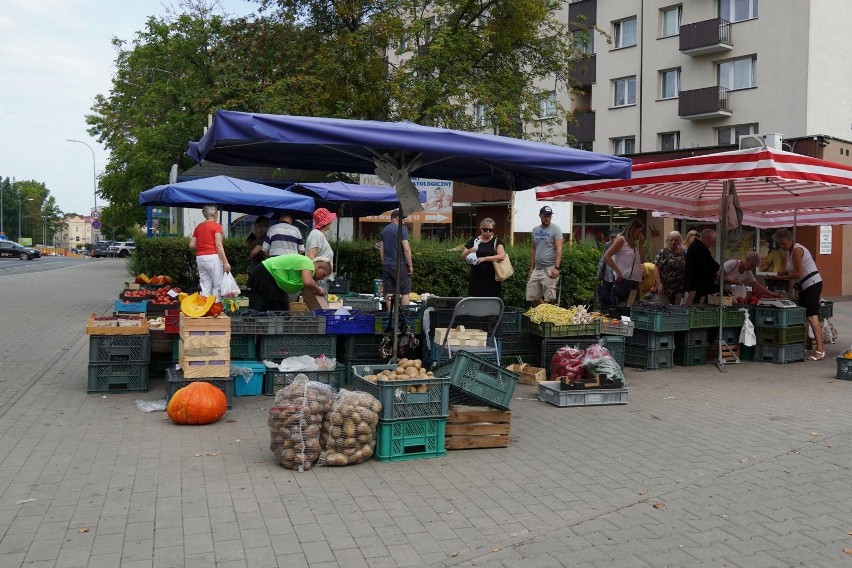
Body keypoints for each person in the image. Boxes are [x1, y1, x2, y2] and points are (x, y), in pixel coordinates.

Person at [773, 228, 825, 360]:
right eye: (780, 244)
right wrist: (784, 273)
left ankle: (820, 350)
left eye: (783, 243)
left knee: (812, 317)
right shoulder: (790, 251)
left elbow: (798, 273)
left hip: (812, 284)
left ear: (790, 240)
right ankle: (805, 345)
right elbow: (793, 269)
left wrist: (782, 278)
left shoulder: (797, 250)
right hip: (805, 286)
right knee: (805, 315)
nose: (782, 246)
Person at [248, 254, 331, 311]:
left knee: (281, 308)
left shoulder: (306, 270)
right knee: (276, 310)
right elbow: (308, 282)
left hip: (270, 278)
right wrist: (319, 290)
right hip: (265, 274)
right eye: (323, 275)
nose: (322, 278)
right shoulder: (308, 263)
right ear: (319, 267)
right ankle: (273, 336)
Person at [188, 204, 231, 300]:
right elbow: (219, 245)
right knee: (217, 285)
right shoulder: (216, 226)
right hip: (212, 257)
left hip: (200, 258)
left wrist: (202, 246)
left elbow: (191, 245)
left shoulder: (199, 227)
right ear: (215, 214)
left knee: (205, 285)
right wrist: (225, 263)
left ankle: (204, 308)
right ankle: (216, 307)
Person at [603, 218, 645, 305]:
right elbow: (607, 256)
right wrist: (617, 272)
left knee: (632, 307)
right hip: (624, 281)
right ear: (632, 230)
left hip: (634, 282)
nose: (639, 234)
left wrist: (641, 244)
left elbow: (642, 261)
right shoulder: (621, 240)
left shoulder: (633, 244)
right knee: (622, 308)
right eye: (639, 231)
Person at [459, 218, 506, 297]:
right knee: (476, 300)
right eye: (485, 229)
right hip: (476, 277)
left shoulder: (497, 241)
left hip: (492, 277)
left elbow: (501, 256)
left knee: (491, 300)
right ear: (481, 229)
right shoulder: (474, 241)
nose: (488, 232)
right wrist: (469, 250)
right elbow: (462, 257)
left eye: (490, 230)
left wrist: (484, 258)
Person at [526, 206, 563, 306]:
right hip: (537, 269)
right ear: (540, 215)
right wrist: (531, 268)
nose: (548, 218)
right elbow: (533, 249)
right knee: (532, 296)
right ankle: (544, 313)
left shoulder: (556, 229)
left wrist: (556, 268)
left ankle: (547, 319)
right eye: (545, 216)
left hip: (550, 268)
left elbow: (559, 249)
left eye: (549, 216)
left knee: (549, 298)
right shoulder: (535, 230)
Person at [378, 210, 413, 310]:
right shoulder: (402, 229)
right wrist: (410, 265)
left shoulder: (384, 230)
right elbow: (406, 249)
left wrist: (384, 262)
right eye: (403, 218)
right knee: (405, 292)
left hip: (387, 265)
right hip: (400, 264)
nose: (404, 221)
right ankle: (406, 317)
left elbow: (381, 248)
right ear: (398, 218)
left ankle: (390, 315)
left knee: (389, 292)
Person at [683, 228, 719, 305]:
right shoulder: (699, 248)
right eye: (713, 241)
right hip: (699, 288)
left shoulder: (697, 247)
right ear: (708, 238)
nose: (713, 243)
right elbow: (709, 266)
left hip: (697, 287)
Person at [306, 208, 337, 293]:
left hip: (320, 276)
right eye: (330, 220)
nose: (331, 222)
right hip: (319, 278)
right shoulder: (316, 234)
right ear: (325, 222)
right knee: (320, 304)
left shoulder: (318, 235)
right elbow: (310, 255)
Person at [653, 231, 686, 304]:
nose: (673, 242)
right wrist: (659, 284)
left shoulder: (683, 252)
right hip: (665, 287)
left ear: (680, 241)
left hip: (679, 288)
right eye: (671, 240)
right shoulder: (663, 252)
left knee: (676, 310)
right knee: (665, 309)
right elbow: (656, 268)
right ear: (667, 240)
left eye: (676, 240)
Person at [595, 229, 619, 308]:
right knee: (604, 295)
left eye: (615, 237)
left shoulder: (621, 245)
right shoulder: (608, 245)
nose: (613, 239)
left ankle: (613, 311)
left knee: (614, 295)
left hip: (616, 275)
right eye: (611, 237)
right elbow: (603, 259)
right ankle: (605, 310)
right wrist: (599, 272)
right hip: (607, 274)